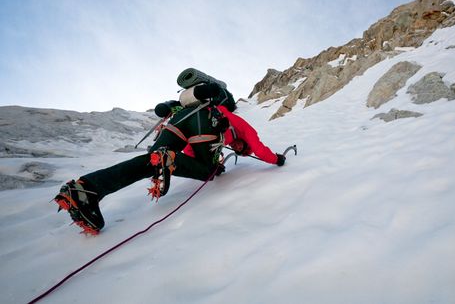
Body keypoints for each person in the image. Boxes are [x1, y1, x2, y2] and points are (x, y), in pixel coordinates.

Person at [53, 68, 284, 235]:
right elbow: (261, 150)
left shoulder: (199, 114)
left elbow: (191, 152)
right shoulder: (236, 122)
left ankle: (85, 190)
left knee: (151, 161)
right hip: (206, 120)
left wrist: (179, 158)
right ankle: (167, 158)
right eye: (240, 149)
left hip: (178, 118)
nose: (239, 149)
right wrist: (278, 160)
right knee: (207, 172)